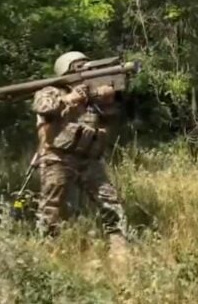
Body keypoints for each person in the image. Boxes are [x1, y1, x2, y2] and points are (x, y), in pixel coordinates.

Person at [31, 51, 129, 261]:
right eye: (79, 66)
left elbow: (110, 119)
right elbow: (42, 107)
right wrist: (69, 99)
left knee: (110, 201)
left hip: (89, 159)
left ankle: (119, 248)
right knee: (52, 207)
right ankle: (47, 253)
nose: (86, 69)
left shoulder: (94, 95)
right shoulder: (51, 91)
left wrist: (107, 100)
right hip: (58, 159)